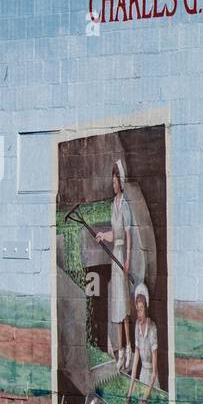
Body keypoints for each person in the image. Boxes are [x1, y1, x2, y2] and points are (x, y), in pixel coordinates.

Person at [92, 159, 135, 373]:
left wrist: (127, 260)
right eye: (112, 180)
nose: (113, 184)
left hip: (121, 256)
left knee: (125, 307)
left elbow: (127, 235)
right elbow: (114, 233)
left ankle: (128, 349)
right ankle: (119, 351)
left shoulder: (125, 205)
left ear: (121, 181)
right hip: (114, 257)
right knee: (117, 306)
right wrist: (102, 235)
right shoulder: (113, 205)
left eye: (115, 180)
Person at [126, 283, 159, 404]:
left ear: (146, 308)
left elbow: (155, 372)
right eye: (137, 309)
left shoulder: (152, 329)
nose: (139, 313)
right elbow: (135, 365)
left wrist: (145, 398)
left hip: (152, 382)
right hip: (142, 376)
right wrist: (129, 393)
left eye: (141, 309)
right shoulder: (136, 327)